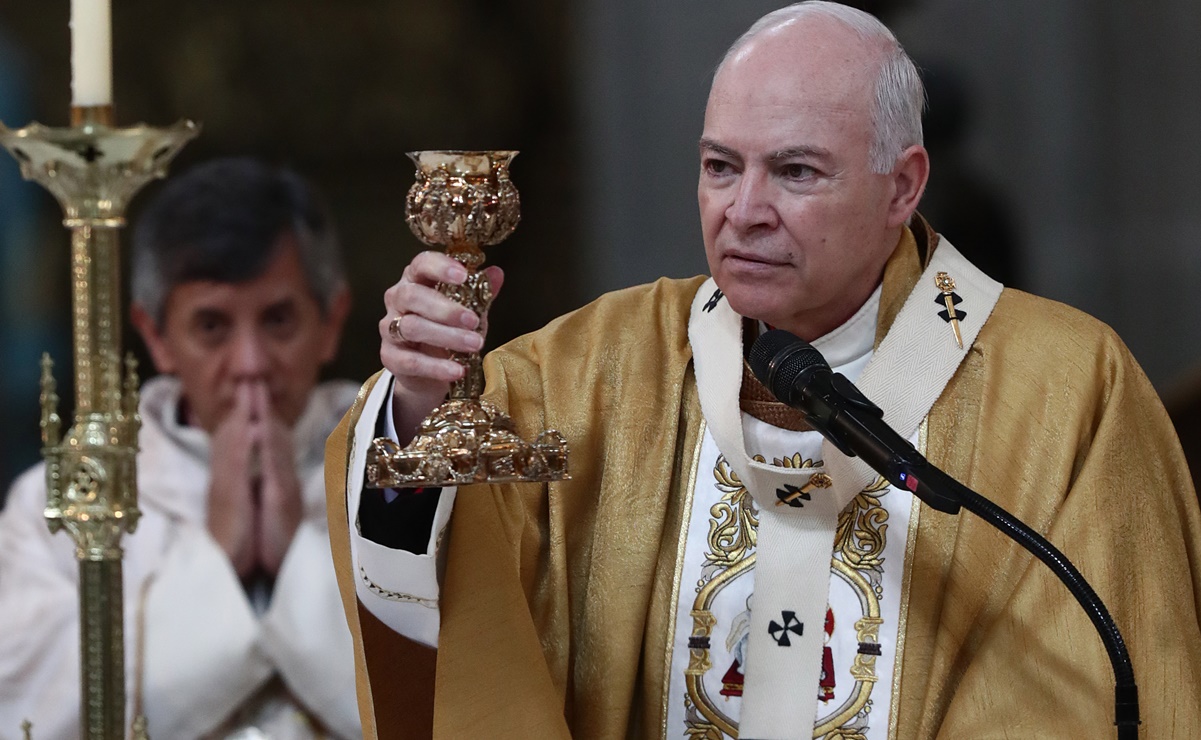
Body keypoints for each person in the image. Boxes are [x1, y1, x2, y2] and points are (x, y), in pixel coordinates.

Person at [325, 4, 1201, 739]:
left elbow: (1082, 688)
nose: (743, 212)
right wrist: (418, 402)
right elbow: (432, 549)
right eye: (718, 167)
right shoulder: (598, 367)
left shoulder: (1069, 390)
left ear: (902, 187)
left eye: (794, 171)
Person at [0, 157, 362, 740]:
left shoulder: (401, 477)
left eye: (278, 320)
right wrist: (214, 563)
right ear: (157, 338)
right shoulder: (59, 505)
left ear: (331, 321)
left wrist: (298, 554)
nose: (250, 367)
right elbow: (32, 713)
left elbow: (453, 705)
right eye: (212, 327)